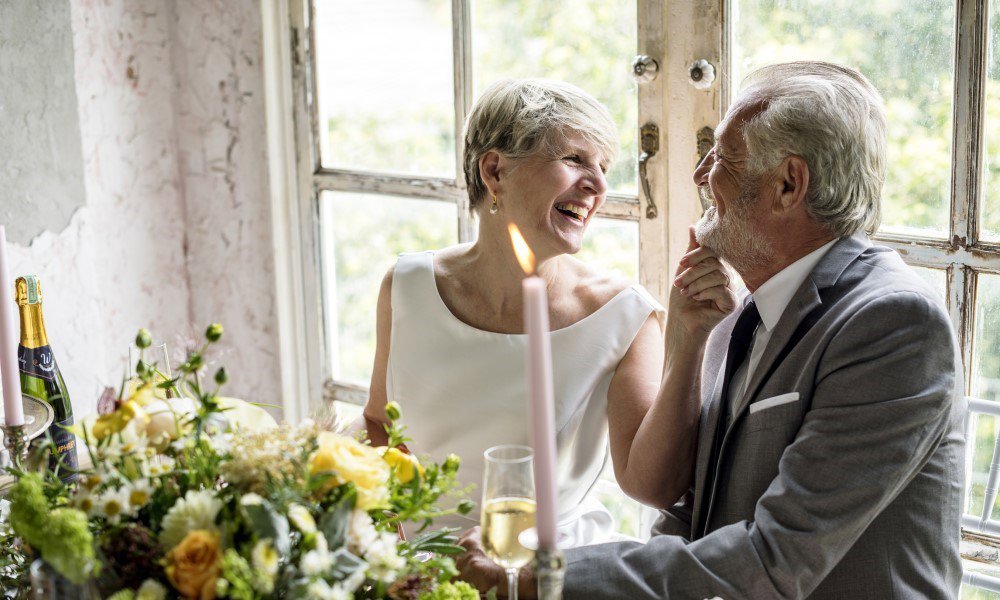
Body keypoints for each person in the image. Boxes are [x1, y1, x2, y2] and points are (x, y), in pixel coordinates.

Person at [456, 62, 965, 598]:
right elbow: (686, 520)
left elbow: (777, 558)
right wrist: (686, 341)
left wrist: (545, 578)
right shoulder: (733, 318)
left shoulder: (892, 323)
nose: (700, 174)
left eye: (721, 157)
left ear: (787, 184)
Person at [361, 78, 736, 546]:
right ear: (495, 171)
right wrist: (379, 526)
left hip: (549, 565)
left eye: (603, 167)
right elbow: (378, 424)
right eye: (575, 159)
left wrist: (689, 338)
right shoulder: (406, 286)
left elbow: (652, 487)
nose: (599, 185)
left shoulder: (623, 315)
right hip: (419, 564)